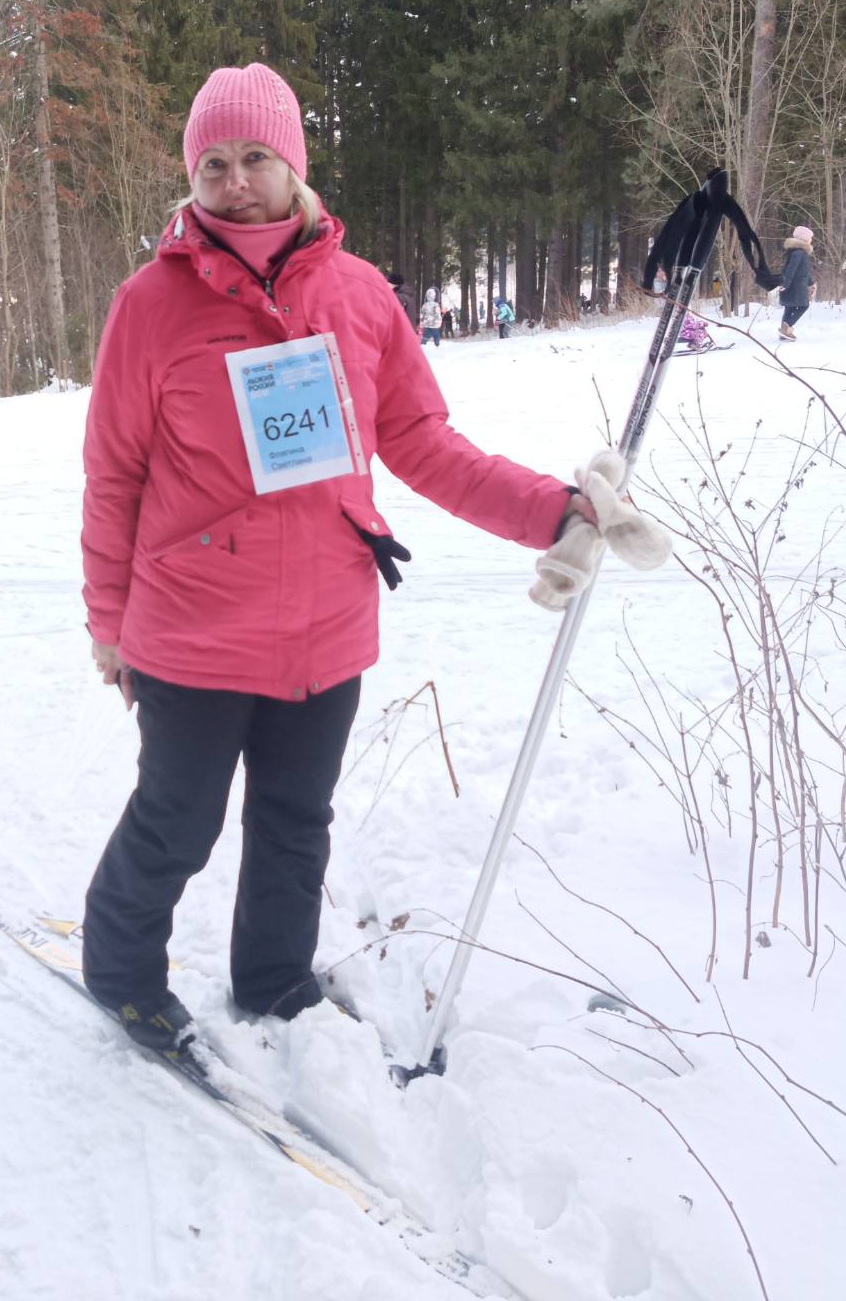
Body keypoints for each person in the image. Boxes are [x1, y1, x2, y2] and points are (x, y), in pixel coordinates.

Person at [80, 62, 598, 1053]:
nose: (235, 181)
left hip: (327, 622)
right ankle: (120, 972)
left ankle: (273, 979)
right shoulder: (149, 305)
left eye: (256, 158)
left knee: (294, 819)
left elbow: (425, 443)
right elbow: (114, 478)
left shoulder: (359, 295)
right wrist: (110, 626)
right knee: (178, 819)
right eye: (213, 164)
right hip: (191, 628)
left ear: (295, 165)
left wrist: (553, 512)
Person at [777, 225, 817, 341]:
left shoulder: (798, 252)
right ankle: (786, 327)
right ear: (804, 239)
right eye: (810, 238)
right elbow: (790, 270)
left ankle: (784, 333)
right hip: (796, 287)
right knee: (804, 306)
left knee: (789, 308)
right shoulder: (799, 253)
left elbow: (804, 272)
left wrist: (811, 283)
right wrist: (785, 284)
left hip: (794, 285)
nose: (811, 240)